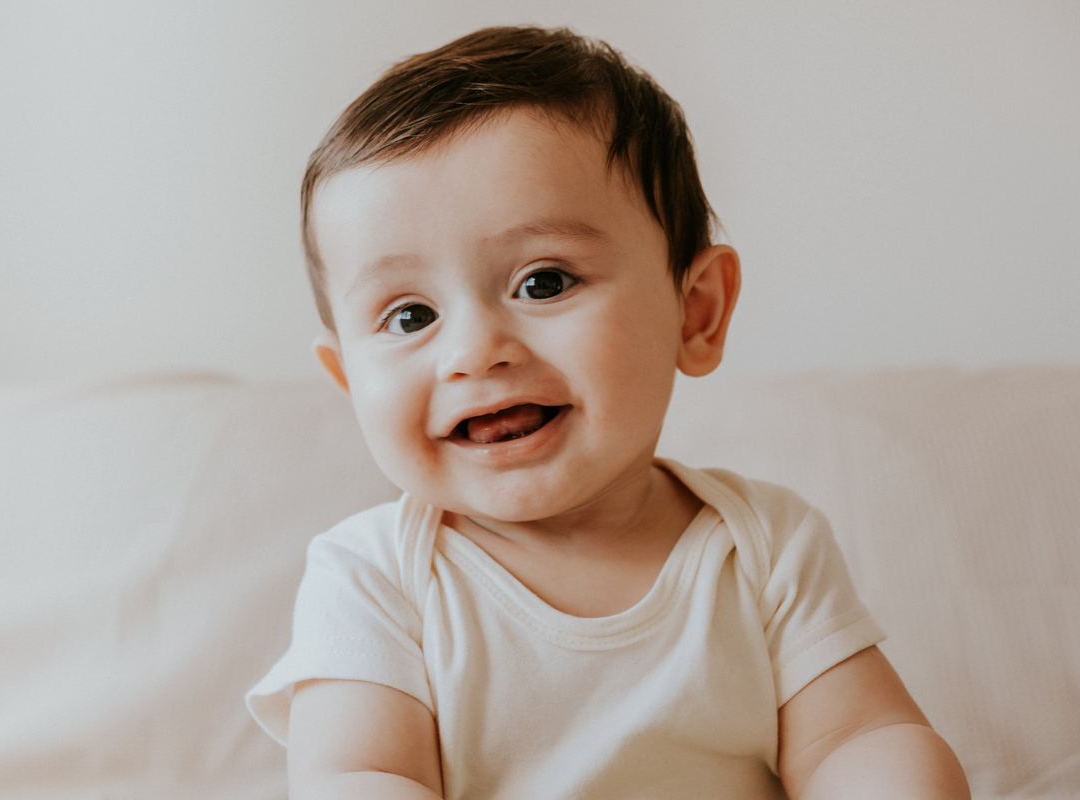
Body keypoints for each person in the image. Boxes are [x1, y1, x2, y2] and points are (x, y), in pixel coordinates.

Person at [246, 25, 969, 799]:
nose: (474, 351)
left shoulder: (763, 549)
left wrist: (892, 772)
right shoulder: (376, 576)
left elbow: (853, 739)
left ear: (695, 313)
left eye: (544, 282)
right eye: (411, 316)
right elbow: (360, 774)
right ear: (348, 378)